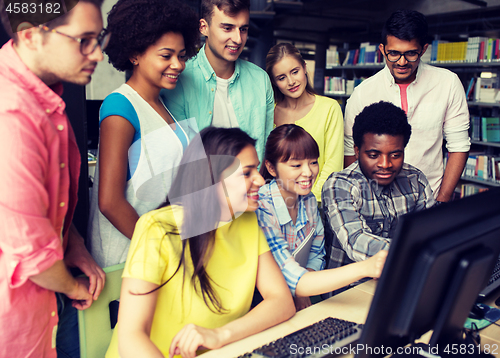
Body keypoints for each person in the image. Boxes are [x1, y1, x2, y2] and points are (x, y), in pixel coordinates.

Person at [105, 127, 295, 358]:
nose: (260, 180)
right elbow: (131, 337)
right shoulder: (157, 228)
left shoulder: (247, 221)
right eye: (246, 173)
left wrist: (220, 335)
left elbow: (282, 302)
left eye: (256, 169)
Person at [0, 1, 107, 357]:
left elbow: (39, 204)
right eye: (83, 40)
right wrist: (74, 288)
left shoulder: (43, 94)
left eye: (99, 38)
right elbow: (34, 255)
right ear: (31, 36)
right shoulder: (11, 115)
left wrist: (71, 240)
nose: (98, 54)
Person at [87, 0, 200, 268]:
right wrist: (159, 249)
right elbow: (110, 202)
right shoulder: (120, 106)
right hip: (129, 259)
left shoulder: (163, 106)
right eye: (166, 55)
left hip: (163, 254)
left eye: (182, 55)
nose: (178, 64)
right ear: (135, 54)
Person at [343, 9, 470, 203]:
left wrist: (442, 200)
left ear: (424, 49)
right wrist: (363, 201)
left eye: (411, 53)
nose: (402, 62)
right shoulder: (363, 93)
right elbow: (351, 150)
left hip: (430, 199)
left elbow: (459, 145)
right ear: (382, 49)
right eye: (393, 53)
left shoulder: (448, 83)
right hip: (376, 203)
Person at [257, 124, 387, 310]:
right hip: (263, 305)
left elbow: (317, 254)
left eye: (313, 162)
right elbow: (292, 279)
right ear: (270, 167)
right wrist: (366, 267)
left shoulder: (308, 200)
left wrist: (305, 288)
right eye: (296, 165)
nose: (308, 172)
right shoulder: (262, 207)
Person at [323, 101, 435, 272]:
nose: (385, 164)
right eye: (374, 155)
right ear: (357, 151)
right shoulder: (340, 185)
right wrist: (417, 251)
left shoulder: (416, 179)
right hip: (350, 289)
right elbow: (356, 242)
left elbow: (430, 233)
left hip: (403, 277)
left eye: (395, 155)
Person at [161, 0, 274, 162]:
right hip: (199, 186)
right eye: (227, 28)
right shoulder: (179, 80)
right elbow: (178, 153)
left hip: (253, 185)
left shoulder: (261, 80)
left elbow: (268, 147)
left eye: (243, 29)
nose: (238, 39)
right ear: (203, 27)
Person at [265, 43, 343, 202]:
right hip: (274, 204)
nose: (291, 81)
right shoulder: (268, 112)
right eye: (282, 78)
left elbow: (332, 167)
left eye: (295, 72)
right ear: (274, 82)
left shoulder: (329, 108)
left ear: (304, 67)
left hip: (317, 204)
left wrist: (307, 203)